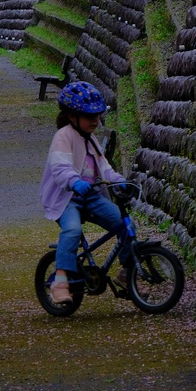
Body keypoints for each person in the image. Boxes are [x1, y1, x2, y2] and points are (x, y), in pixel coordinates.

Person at [39, 80, 130, 304]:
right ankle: (60, 281)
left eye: (97, 116)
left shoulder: (92, 140)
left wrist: (120, 181)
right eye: (90, 116)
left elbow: (105, 168)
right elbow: (60, 168)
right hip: (67, 198)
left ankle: (128, 274)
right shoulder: (64, 136)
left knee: (126, 224)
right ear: (72, 116)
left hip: (90, 197)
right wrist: (74, 181)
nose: (95, 121)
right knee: (71, 231)